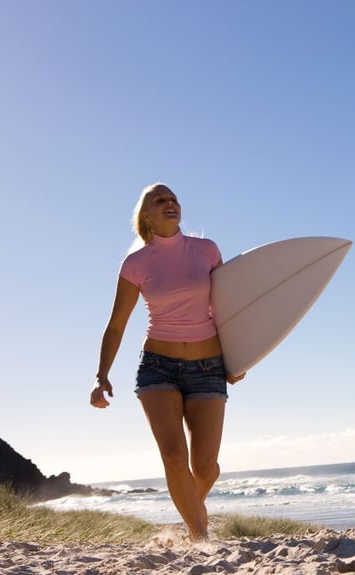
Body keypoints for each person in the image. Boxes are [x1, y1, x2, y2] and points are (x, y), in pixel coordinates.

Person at [90, 183, 244, 541]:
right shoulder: (136, 263)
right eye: (160, 200)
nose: (169, 203)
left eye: (173, 198)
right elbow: (116, 324)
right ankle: (198, 536)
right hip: (158, 368)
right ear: (146, 215)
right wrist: (101, 376)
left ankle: (192, 511)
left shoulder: (206, 251)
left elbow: (227, 309)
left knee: (205, 467)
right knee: (175, 458)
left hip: (208, 367)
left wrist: (237, 358)